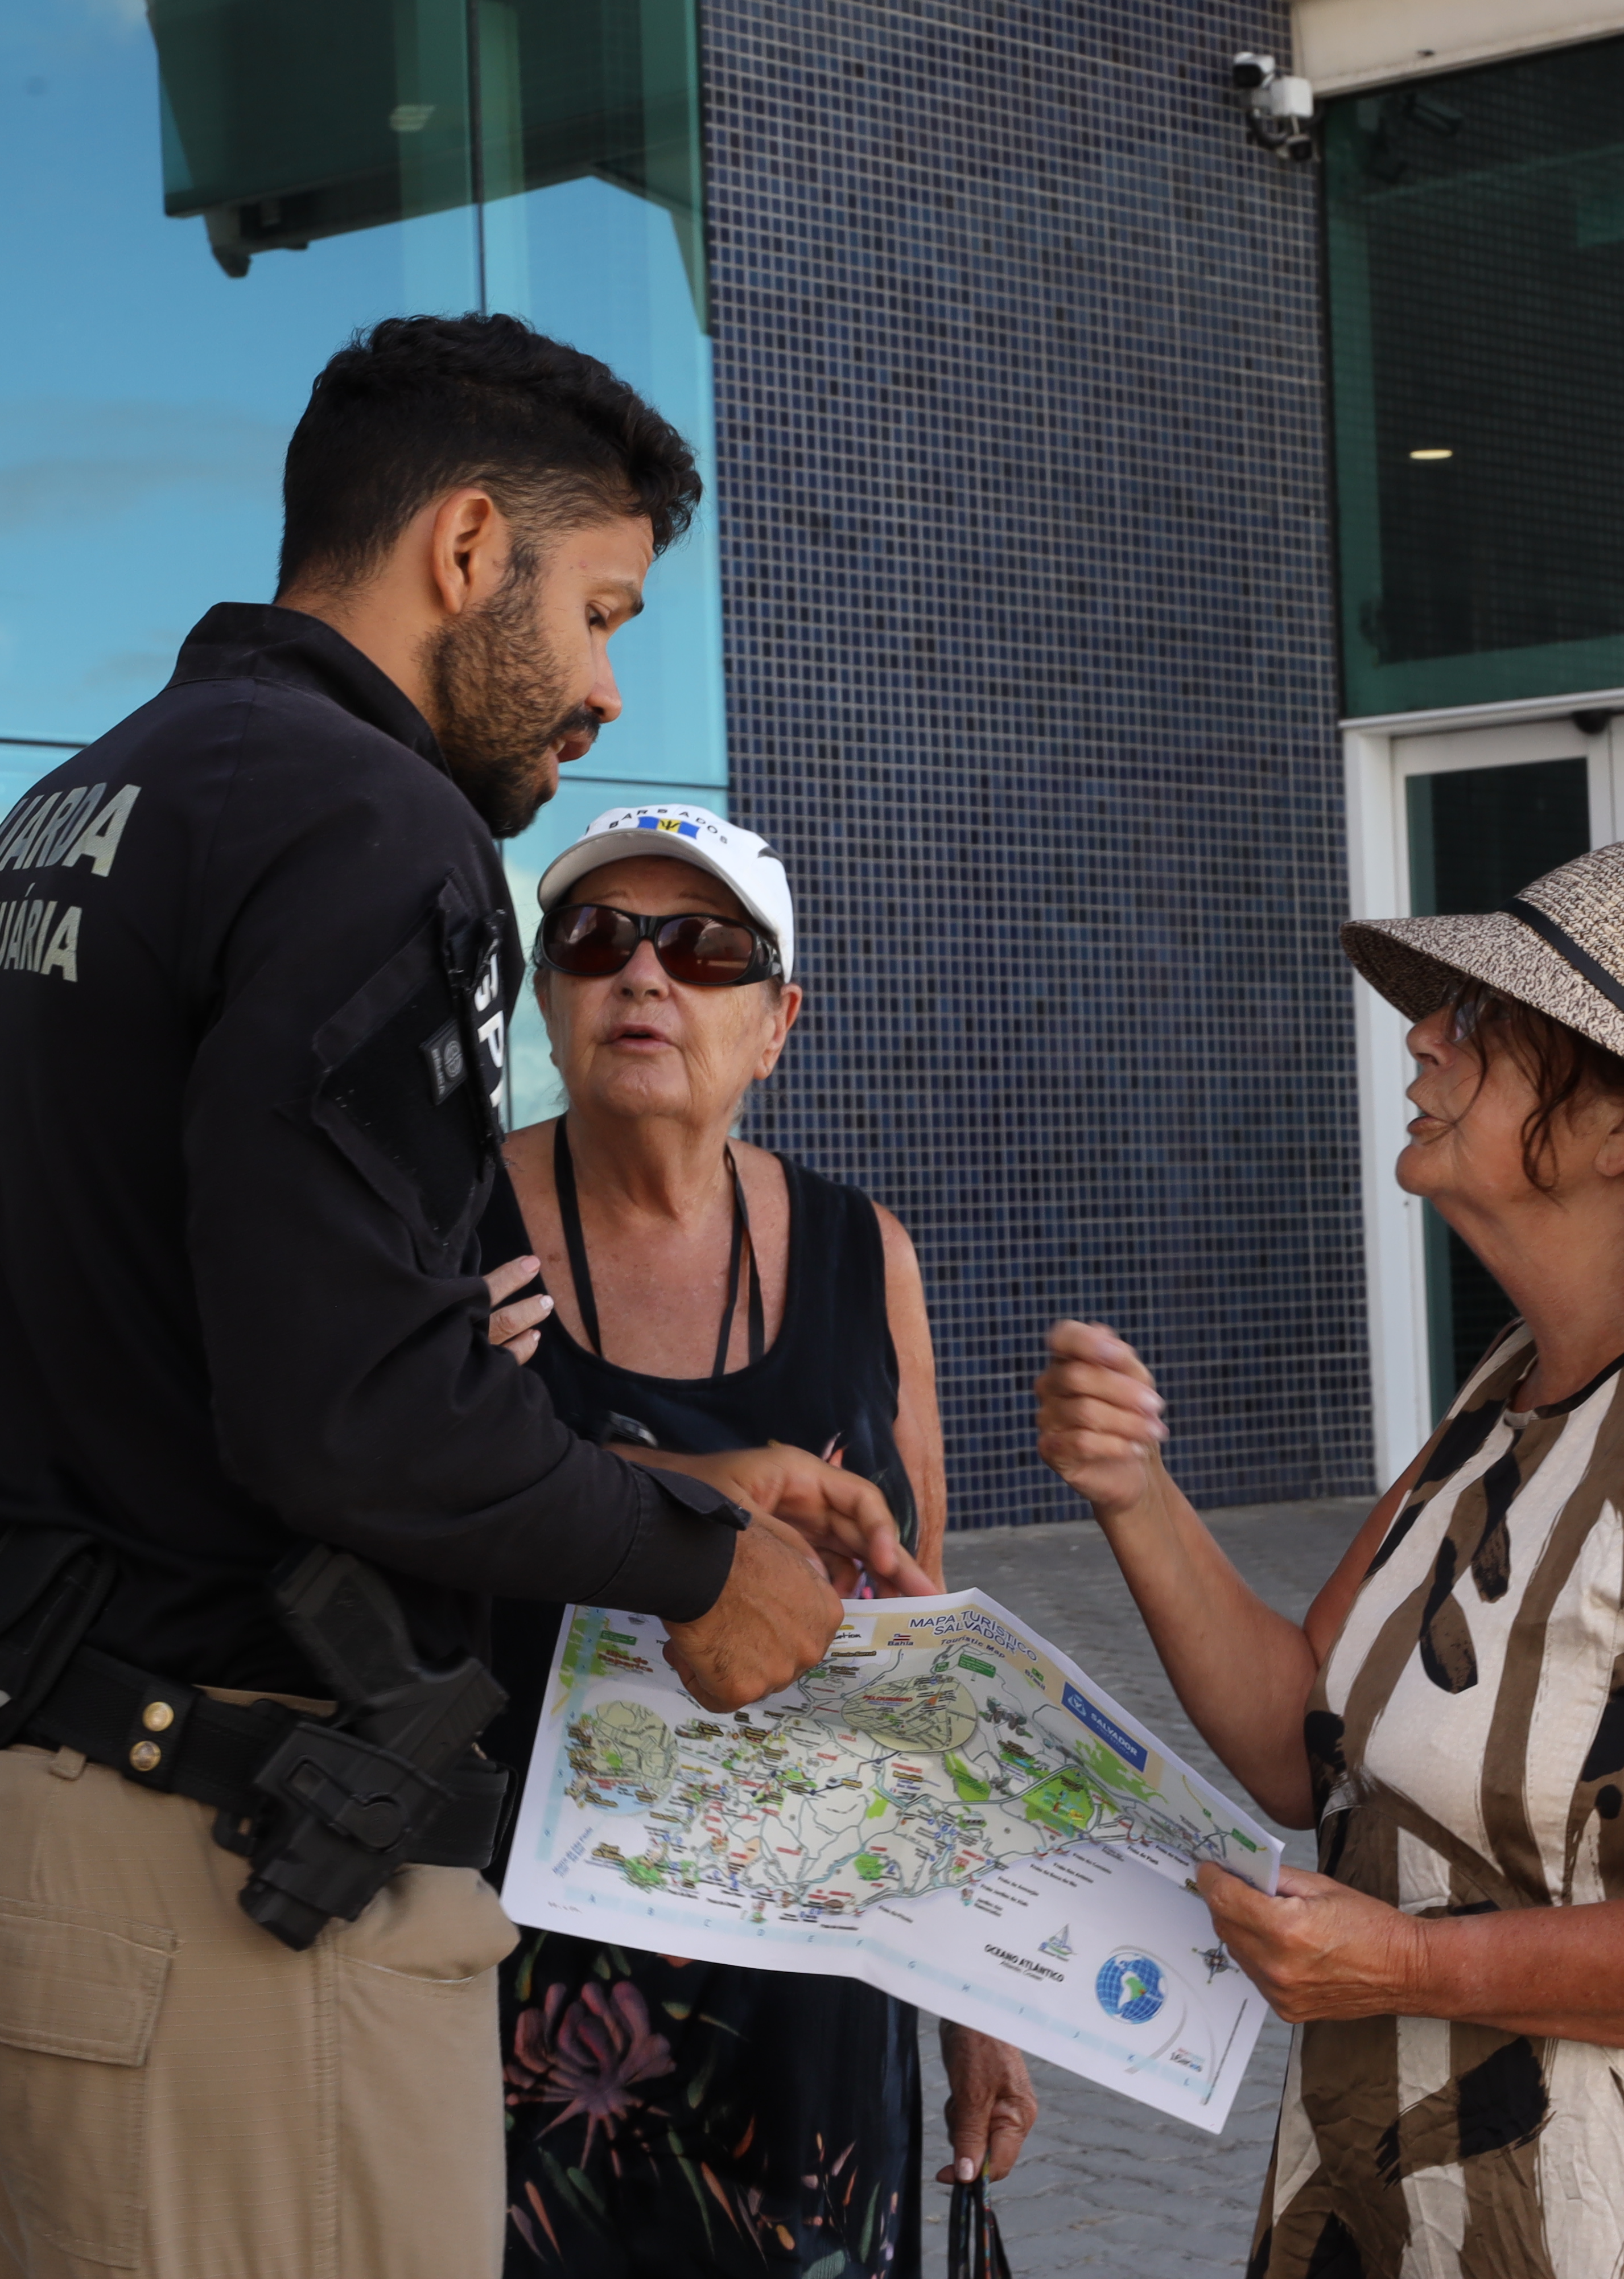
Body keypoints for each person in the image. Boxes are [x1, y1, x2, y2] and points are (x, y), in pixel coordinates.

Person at [0, 316, 921, 2279]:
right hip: (214, 1875)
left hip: (20, 1813)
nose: (607, 685)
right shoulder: (370, 826)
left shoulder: (85, 810)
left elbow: (243, 1351)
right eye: (601, 609)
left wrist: (681, 1462)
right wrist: (702, 1559)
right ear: (463, 552)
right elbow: (353, 1422)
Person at [1034, 838, 1624, 2277]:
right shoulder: (1519, 1383)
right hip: (1421, 2208)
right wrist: (1133, 1491)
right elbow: (1304, 1739)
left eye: (1479, 1020)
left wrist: (1407, 1963)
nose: (1421, 1034)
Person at [478, 801, 1038, 2277]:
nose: (644, 977)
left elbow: (926, 1647)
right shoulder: (440, 1231)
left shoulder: (867, 1254)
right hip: (514, 1967)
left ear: (779, 1021)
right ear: (547, 999)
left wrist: (980, 1999)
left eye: (703, 947)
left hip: (814, 1982)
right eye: (597, 940)